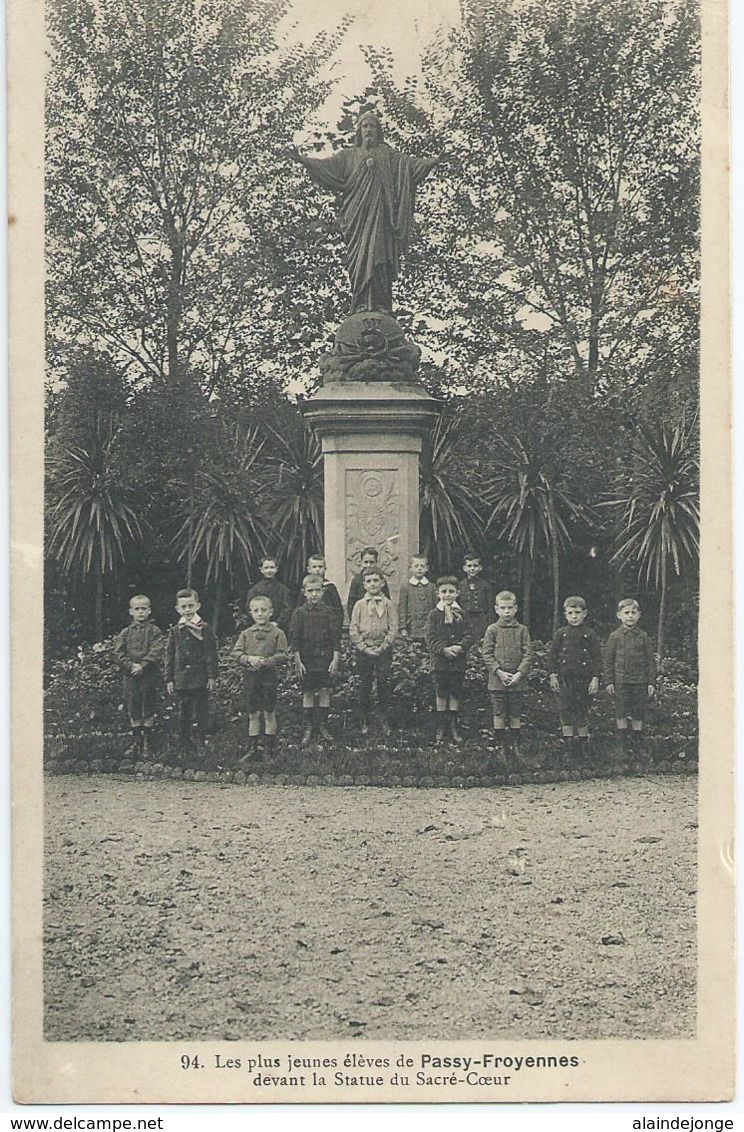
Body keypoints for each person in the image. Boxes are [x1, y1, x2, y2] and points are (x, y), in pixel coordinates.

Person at [290, 110, 443, 313]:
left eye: (372, 126)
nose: (368, 130)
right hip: (357, 218)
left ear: (378, 131)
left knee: (379, 255)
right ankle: (361, 303)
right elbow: (326, 166)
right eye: (365, 126)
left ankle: (381, 304)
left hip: (380, 216)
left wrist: (433, 161)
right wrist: (304, 160)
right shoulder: (348, 156)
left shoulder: (388, 155)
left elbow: (409, 166)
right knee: (360, 260)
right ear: (359, 131)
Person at [232, 595, 289, 763]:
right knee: (253, 713)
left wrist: (266, 661)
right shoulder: (246, 633)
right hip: (251, 677)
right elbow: (235, 653)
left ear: (271, 612)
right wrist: (248, 659)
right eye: (256, 611)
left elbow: (283, 655)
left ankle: (268, 750)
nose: (260, 614)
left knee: (269, 712)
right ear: (251, 613)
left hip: (268, 677)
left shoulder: (277, 633)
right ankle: (252, 749)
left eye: (264, 610)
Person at [547, 596, 603, 765]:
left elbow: (597, 658)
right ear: (565, 615)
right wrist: (552, 675)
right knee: (566, 712)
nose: (574, 616)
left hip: (584, 681)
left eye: (577, 612)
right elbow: (552, 657)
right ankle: (568, 750)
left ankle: (583, 750)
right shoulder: (561, 634)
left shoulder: (589, 634)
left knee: (582, 713)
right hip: (565, 680)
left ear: (584, 614)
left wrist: (595, 679)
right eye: (570, 613)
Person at [164, 588, 218, 757]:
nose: (187, 610)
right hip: (182, 678)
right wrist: (169, 678)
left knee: (201, 711)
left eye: (190, 606)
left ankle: (201, 741)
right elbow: (170, 654)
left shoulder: (205, 628)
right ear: (177, 609)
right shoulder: (175, 630)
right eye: (183, 607)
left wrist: (211, 676)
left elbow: (211, 653)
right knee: (184, 712)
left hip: (200, 677)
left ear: (198, 606)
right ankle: (185, 745)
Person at [288, 575, 342, 746]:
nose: (314, 594)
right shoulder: (299, 613)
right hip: (306, 659)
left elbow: (335, 637)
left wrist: (335, 658)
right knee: (308, 692)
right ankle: (308, 727)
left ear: (323, 592)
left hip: (325, 658)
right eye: (310, 591)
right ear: (304, 593)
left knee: (325, 690)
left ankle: (323, 726)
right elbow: (294, 639)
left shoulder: (329, 612)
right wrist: (298, 661)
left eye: (317, 590)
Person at [481, 591, 531, 770]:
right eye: (503, 608)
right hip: (497, 681)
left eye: (510, 608)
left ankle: (515, 747)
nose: (507, 612)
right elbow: (486, 654)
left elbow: (527, 654)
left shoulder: (522, 630)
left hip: (518, 680)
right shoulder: (492, 630)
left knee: (515, 713)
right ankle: (500, 747)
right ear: (496, 609)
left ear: (516, 608)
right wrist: (499, 672)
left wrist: (519, 673)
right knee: (499, 713)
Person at [604, 598, 658, 758]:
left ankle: (637, 747)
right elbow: (608, 660)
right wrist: (609, 681)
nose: (630, 616)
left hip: (640, 682)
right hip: (621, 682)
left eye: (633, 613)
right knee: (621, 712)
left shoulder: (643, 637)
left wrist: (650, 682)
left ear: (639, 615)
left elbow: (650, 661)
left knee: (638, 713)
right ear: (619, 615)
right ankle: (621, 748)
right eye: (626, 613)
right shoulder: (614, 637)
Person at [349, 567, 398, 735]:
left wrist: (383, 646)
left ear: (382, 583)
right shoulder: (359, 605)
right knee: (365, 684)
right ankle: (364, 717)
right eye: (369, 581)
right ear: (364, 585)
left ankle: (383, 716)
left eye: (376, 580)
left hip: (383, 650)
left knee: (383, 682)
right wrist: (364, 647)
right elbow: (353, 629)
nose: (372, 584)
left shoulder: (389, 605)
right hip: (364, 650)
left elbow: (393, 628)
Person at [113, 594, 164, 758]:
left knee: (148, 705)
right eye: (137, 609)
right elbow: (118, 653)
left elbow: (156, 651)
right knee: (133, 706)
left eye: (144, 609)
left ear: (149, 611)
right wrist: (130, 666)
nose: (140, 612)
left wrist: (143, 666)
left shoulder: (154, 631)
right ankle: (137, 742)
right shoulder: (125, 633)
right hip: (130, 677)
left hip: (148, 676)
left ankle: (148, 743)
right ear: (131, 612)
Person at [425, 576, 472, 745]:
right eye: (444, 592)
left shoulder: (462, 614)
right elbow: (430, 637)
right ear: (438, 593)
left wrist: (460, 647)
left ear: (457, 593)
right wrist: (443, 649)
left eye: (451, 591)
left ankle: (453, 726)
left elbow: (469, 634)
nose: (447, 595)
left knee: (455, 692)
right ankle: (440, 727)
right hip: (440, 662)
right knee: (441, 692)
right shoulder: (434, 615)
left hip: (458, 662)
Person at [294, 554, 344, 634]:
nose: (317, 569)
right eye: (314, 567)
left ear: (325, 569)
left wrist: (337, 627)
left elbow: (338, 609)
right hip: (308, 626)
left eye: (320, 567)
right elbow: (299, 609)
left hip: (326, 626)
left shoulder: (330, 587)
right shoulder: (306, 587)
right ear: (308, 569)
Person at [245, 555, 293, 633]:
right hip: (258, 626)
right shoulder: (254, 590)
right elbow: (249, 608)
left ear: (276, 569)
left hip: (277, 627)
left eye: (272, 567)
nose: (269, 570)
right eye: (266, 568)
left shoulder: (283, 590)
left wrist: (277, 623)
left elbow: (287, 608)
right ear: (261, 570)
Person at [398, 552, 437, 641]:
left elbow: (435, 607)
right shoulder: (406, 587)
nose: (419, 568)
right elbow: (402, 608)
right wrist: (403, 627)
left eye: (422, 566)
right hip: (412, 627)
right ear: (410, 568)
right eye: (416, 566)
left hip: (428, 627)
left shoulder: (432, 587)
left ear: (427, 568)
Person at [346, 546, 390, 621]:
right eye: (366, 562)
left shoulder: (381, 579)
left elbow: (387, 599)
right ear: (361, 562)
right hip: (362, 617)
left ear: (376, 562)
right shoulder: (357, 580)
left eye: (371, 562)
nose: (368, 565)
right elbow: (351, 603)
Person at [459, 552, 494, 644]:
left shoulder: (486, 585)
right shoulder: (460, 585)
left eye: (475, 565)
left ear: (480, 568)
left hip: (481, 620)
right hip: (465, 619)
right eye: (469, 566)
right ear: (464, 568)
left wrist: (489, 624)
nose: (472, 568)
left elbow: (490, 607)